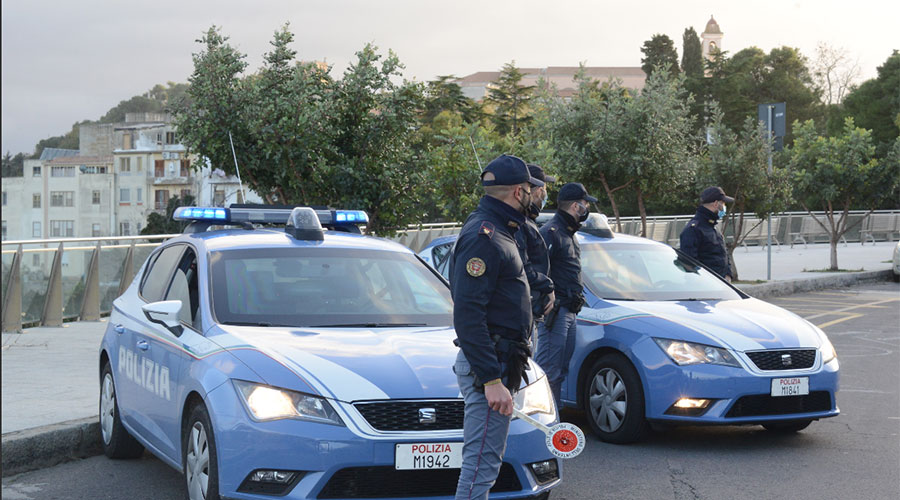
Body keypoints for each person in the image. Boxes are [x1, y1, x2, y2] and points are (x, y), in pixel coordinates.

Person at [450, 154, 543, 500]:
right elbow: (468, 314)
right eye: (531, 189)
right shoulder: (485, 236)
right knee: (480, 469)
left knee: (484, 466)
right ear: (519, 192)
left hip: (502, 362)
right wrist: (491, 380)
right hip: (491, 366)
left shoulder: (503, 229)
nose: (534, 195)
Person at [536, 182, 596, 406]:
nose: (587, 209)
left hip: (569, 311)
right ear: (575, 206)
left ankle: (555, 418)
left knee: (560, 370)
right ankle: (545, 420)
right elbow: (537, 271)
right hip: (556, 312)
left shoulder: (568, 233)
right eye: (585, 204)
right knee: (548, 372)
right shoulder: (551, 233)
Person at [516, 164, 556, 336]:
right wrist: (547, 286)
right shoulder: (519, 224)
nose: (544, 194)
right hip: (523, 312)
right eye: (543, 189)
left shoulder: (527, 221)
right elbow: (523, 268)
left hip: (531, 310)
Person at [679, 186, 734, 282]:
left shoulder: (712, 226)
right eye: (723, 203)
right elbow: (690, 264)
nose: (724, 207)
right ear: (716, 203)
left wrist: (728, 274)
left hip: (721, 284)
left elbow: (723, 254)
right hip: (704, 285)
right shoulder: (693, 229)